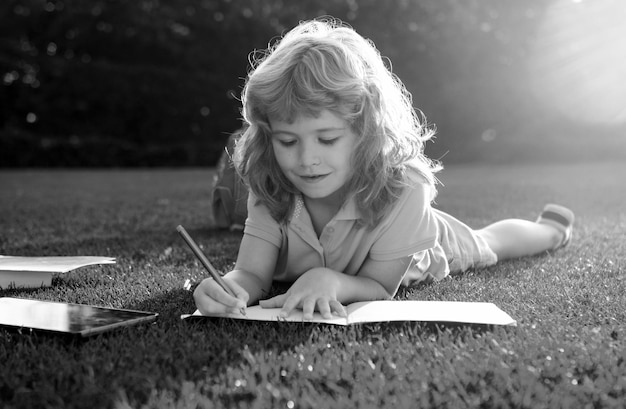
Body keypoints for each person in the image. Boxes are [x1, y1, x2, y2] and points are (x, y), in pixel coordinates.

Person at [194, 18, 574, 319]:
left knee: (490, 243)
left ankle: (551, 230)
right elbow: (253, 275)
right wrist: (227, 286)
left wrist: (329, 281)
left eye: (327, 139)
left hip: (423, 251)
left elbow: (378, 287)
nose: (306, 159)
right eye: (287, 141)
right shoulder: (271, 181)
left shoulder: (405, 188)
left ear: (367, 129)